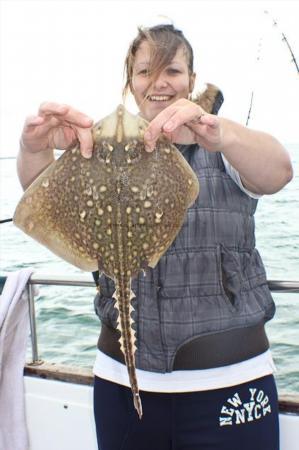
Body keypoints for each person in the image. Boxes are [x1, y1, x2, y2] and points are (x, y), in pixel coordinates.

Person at [17, 24, 293, 450]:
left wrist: (222, 133)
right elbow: (41, 202)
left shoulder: (221, 146)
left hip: (230, 380)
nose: (160, 82)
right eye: (146, 71)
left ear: (192, 80)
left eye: (173, 71)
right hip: (121, 385)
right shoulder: (95, 151)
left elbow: (278, 171)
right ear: (130, 83)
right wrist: (35, 148)